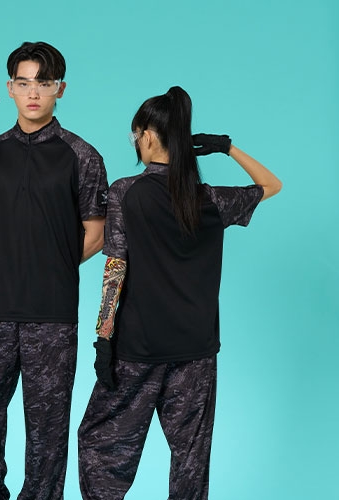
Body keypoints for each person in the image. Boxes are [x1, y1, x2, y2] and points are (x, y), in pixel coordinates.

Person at [77, 86, 282, 499]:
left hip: (138, 348)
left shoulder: (125, 192)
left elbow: (115, 267)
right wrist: (226, 148)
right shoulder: (209, 199)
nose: (135, 143)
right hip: (196, 350)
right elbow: (271, 185)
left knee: (101, 447)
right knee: (191, 460)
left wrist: (103, 337)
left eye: (135, 135)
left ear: (149, 135)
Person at [0, 41, 108, 499]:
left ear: (60, 89)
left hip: (51, 318)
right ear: (10, 88)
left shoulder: (82, 156)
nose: (33, 92)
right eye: (23, 82)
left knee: (47, 438)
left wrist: (48, 262)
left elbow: (96, 232)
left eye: (44, 82)